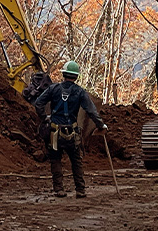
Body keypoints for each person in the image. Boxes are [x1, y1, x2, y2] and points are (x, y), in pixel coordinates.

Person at [33, 61, 108, 198]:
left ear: (63, 74)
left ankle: (59, 189)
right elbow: (91, 111)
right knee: (76, 161)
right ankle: (80, 190)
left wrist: (45, 117)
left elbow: (38, 103)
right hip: (72, 133)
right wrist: (100, 125)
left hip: (55, 132)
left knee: (55, 160)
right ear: (76, 76)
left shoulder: (53, 89)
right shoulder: (80, 92)